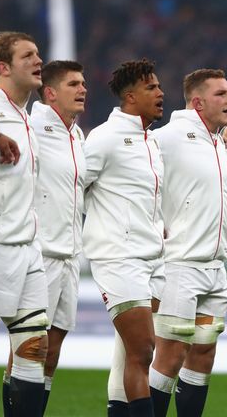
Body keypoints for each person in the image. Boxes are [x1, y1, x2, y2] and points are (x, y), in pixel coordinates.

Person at [148, 68, 227, 417]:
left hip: (215, 268)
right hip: (179, 265)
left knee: (203, 355)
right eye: (221, 94)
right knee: (169, 356)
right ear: (197, 102)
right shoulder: (167, 137)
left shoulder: (219, 140)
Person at [83, 58, 165, 417]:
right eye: (152, 88)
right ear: (130, 97)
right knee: (144, 348)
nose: (161, 93)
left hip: (152, 258)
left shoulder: (151, 141)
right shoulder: (104, 138)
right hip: (118, 256)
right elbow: (74, 188)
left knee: (130, 353)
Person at [0, 30, 49, 417]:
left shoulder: (27, 115)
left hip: (28, 247)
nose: (38, 60)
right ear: (4, 67)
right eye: (28, 55)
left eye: (39, 54)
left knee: (33, 347)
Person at [30, 60, 87, 412]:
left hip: (70, 257)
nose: (83, 89)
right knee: (30, 348)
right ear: (50, 93)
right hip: (40, 254)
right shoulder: (32, 125)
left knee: (51, 352)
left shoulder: (76, 134)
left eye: (83, 83)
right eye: (73, 84)